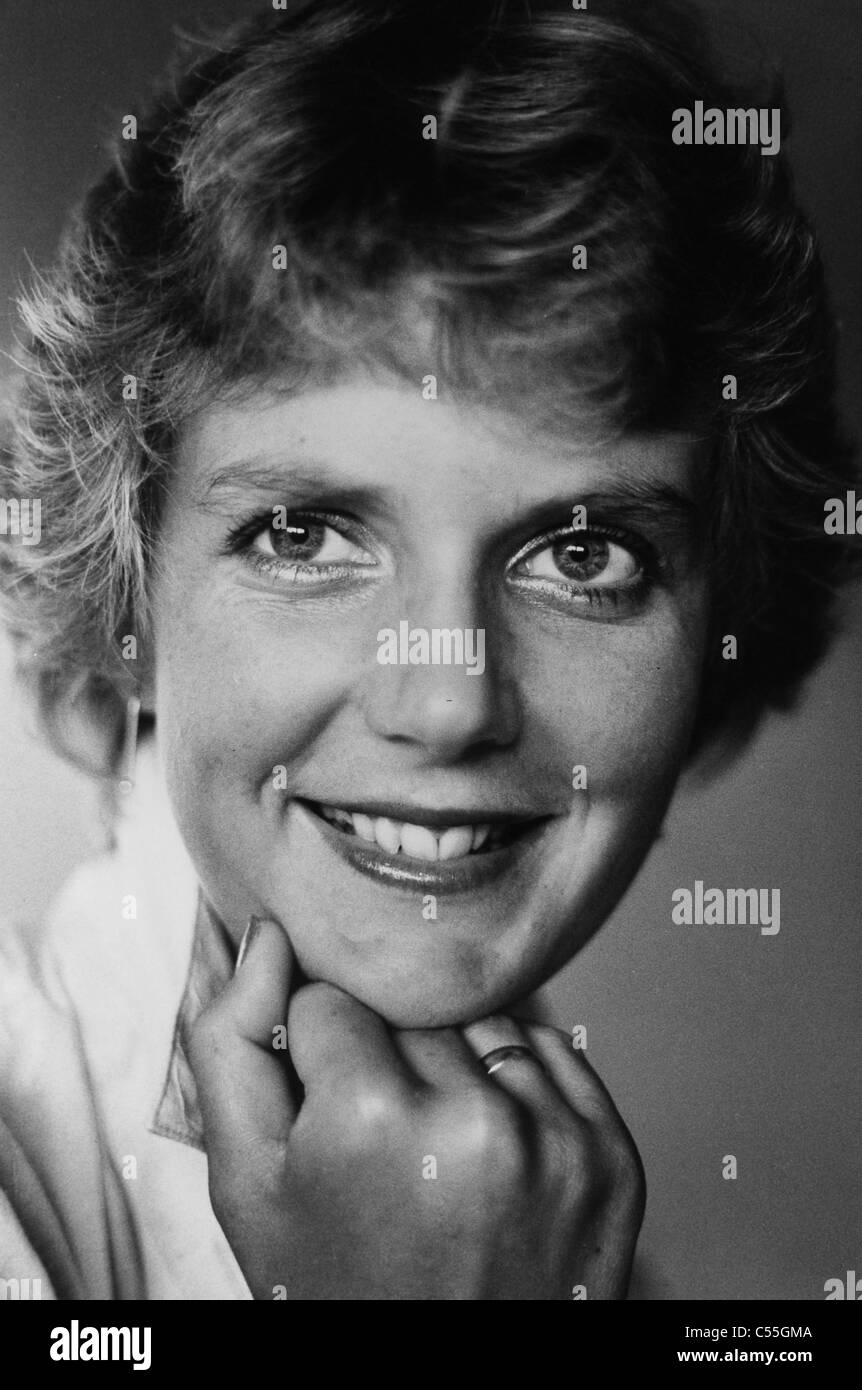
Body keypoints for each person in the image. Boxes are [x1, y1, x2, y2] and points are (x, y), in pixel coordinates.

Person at [0, 0, 855, 1300]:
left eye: (581, 556)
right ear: (123, 603)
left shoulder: (515, 1173)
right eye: (304, 535)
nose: (449, 697)